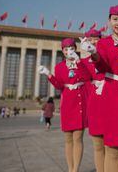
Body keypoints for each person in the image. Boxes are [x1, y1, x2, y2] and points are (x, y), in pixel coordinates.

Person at [84, 5, 118, 172]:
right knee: (113, 149)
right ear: (109, 21)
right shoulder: (105, 43)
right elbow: (101, 66)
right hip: (113, 97)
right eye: (115, 19)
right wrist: (94, 54)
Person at [39, 38, 91, 172]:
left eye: (72, 48)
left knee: (78, 138)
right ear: (62, 51)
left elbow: (86, 78)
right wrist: (48, 74)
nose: (69, 51)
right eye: (66, 49)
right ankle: (70, 168)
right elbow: (59, 85)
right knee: (68, 139)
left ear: (76, 49)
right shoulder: (60, 66)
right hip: (67, 102)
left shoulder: (82, 63)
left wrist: (78, 62)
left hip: (80, 101)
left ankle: (76, 169)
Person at [80, 28, 106, 172]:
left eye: (96, 39)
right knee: (98, 146)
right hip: (94, 105)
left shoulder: (107, 57)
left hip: (110, 104)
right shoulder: (83, 62)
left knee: (111, 146)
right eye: (90, 39)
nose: (93, 42)